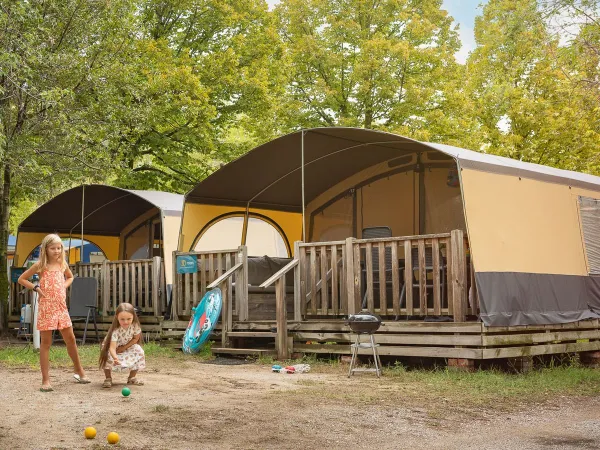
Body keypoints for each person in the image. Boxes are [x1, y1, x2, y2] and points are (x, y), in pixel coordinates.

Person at [17, 233, 91, 392]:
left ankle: (79, 370)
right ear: (45, 249)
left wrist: (64, 286)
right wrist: (36, 288)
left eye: (59, 248)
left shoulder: (62, 264)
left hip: (61, 307)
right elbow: (22, 279)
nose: (57, 251)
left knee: (70, 339)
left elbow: (70, 277)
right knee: (46, 343)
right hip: (46, 308)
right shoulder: (40, 266)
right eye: (53, 248)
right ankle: (46, 380)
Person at [99, 302, 145, 388]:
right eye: (122, 319)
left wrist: (124, 347)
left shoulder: (135, 326)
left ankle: (132, 377)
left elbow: (135, 339)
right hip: (113, 348)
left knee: (139, 350)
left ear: (133, 317)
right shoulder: (115, 330)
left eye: (129, 319)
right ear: (117, 317)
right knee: (107, 354)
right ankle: (108, 378)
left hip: (126, 345)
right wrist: (115, 358)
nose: (126, 322)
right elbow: (112, 348)